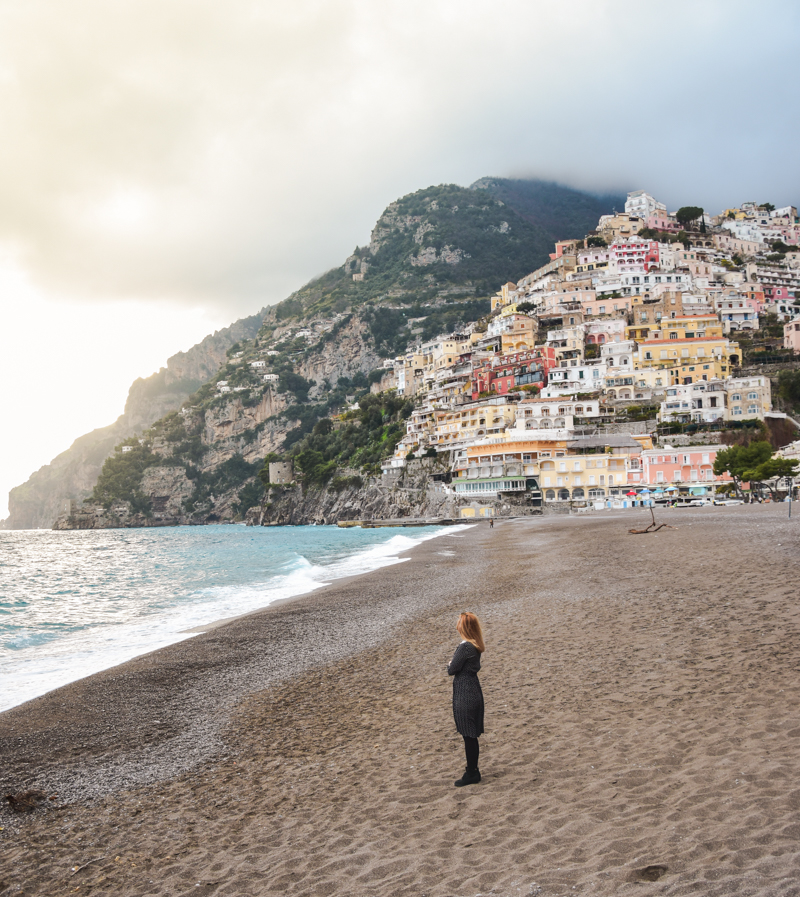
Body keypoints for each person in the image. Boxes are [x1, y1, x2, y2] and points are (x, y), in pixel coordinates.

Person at [447, 612, 485, 787]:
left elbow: (452, 668)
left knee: (468, 734)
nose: (457, 625)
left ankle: (472, 772)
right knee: (470, 734)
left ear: (464, 627)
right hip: (472, 691)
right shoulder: (474, 645)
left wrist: (449, 664)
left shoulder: (466, 647)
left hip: (466, 693)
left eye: (459, 622)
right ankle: (472, 770)